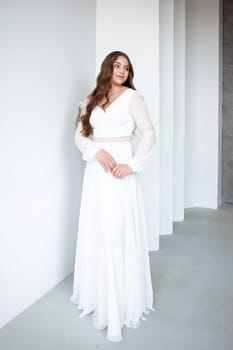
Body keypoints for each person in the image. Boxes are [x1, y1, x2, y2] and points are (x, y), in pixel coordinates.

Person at [70, 51, 156, 342]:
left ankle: (121, 302)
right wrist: (96, 151)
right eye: (117, 65)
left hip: (120, 170)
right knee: (99, 228)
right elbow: (79, 135)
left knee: (116, 230)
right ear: (107, 67)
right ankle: (100, 298)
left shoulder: (134, 98)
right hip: (96, 172)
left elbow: (148, 133)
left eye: (127, 67)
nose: (121, 70)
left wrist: (131, 165)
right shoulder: (89, 100)